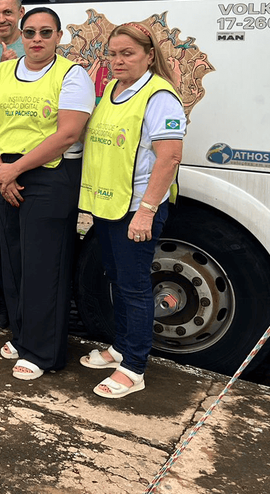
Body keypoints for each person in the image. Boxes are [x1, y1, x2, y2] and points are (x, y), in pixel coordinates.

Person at [0, 7, 95, 381]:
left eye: (46, 32)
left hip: (49, 177)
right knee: (13, 262)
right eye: (30, 33)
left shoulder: (72, 75)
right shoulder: (1, 71)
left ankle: (44, 352)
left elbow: (68, 134)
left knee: (45, 266)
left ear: (59, 37)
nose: (37, 39)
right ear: (20, 35)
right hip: (3, 174)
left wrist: (14, 170)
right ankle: (23, 335)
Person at [78, 22, 185, 399]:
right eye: (113, 53)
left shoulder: (160, 97)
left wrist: (146, 211)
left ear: (149, 55)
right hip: (110, 205)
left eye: (128, 53)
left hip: (136, 208)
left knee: (136, 286)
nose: (118, 60)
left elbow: (169, 157)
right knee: (118, 279)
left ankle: (135, 366)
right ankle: (121, 348)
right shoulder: (113, 88)